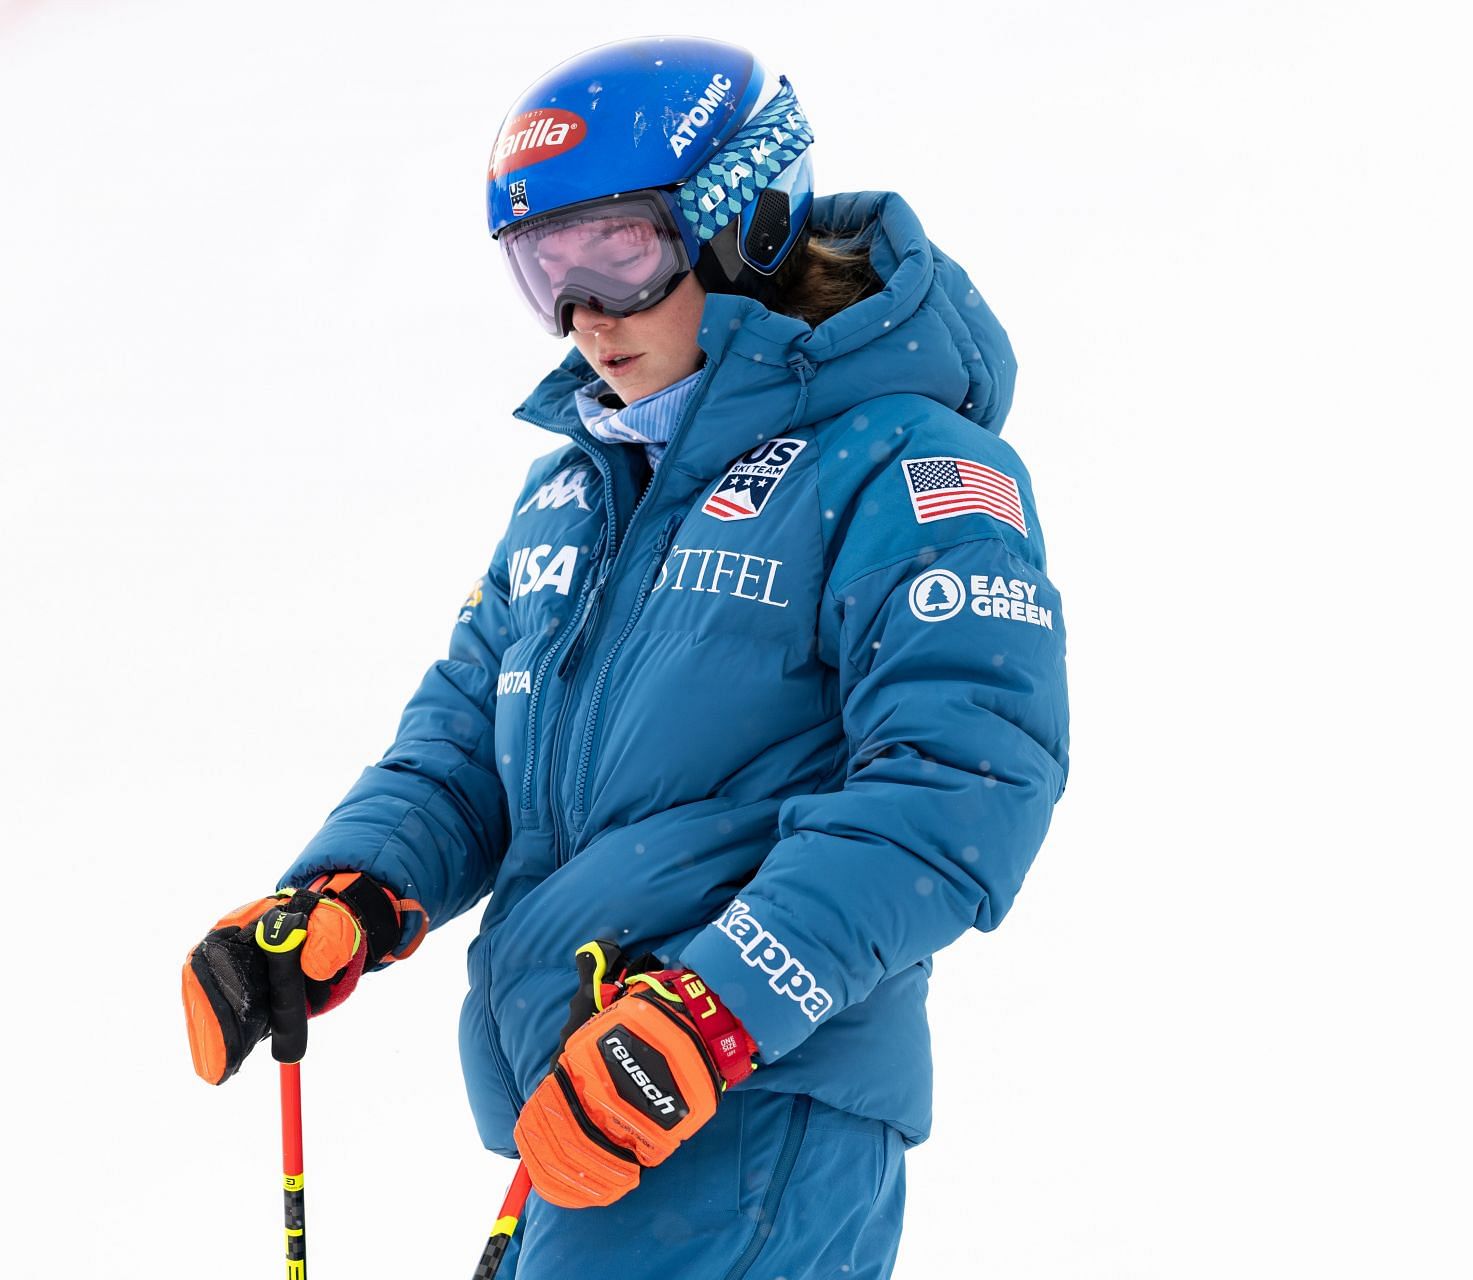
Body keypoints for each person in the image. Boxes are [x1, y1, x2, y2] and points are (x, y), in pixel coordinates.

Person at [182, 35, 1068, 1279]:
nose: (584, 318)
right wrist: (348, 893)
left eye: (620, 256)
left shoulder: (900, 464)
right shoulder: (582, 492)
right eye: (544, 273)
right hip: (590, 1117)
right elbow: (460, 750)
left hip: (752, 1116)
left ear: (745, 223)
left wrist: (709, 1017)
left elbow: (962, 781)